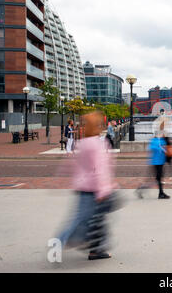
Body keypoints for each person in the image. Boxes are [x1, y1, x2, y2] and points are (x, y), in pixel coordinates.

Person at [57, 111, 118, 261]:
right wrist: (104, 190)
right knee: (93, 220)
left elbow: (74, 164)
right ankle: (61, 242)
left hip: (82, 187)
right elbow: (100, 169)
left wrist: (60, 176)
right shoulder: (97, 144)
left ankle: (94, 249)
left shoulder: (82, 143)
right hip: (94, 189)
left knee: (84, 219)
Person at [136, 126, 170, 200]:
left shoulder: (162, 140)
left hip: (161, 162)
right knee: (157, 179)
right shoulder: (154, 140)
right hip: (155, 162)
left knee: (157, 179)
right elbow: (152, 148)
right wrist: (161, 148)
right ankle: (159, 193)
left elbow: (166, 148)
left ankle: (160, 193)